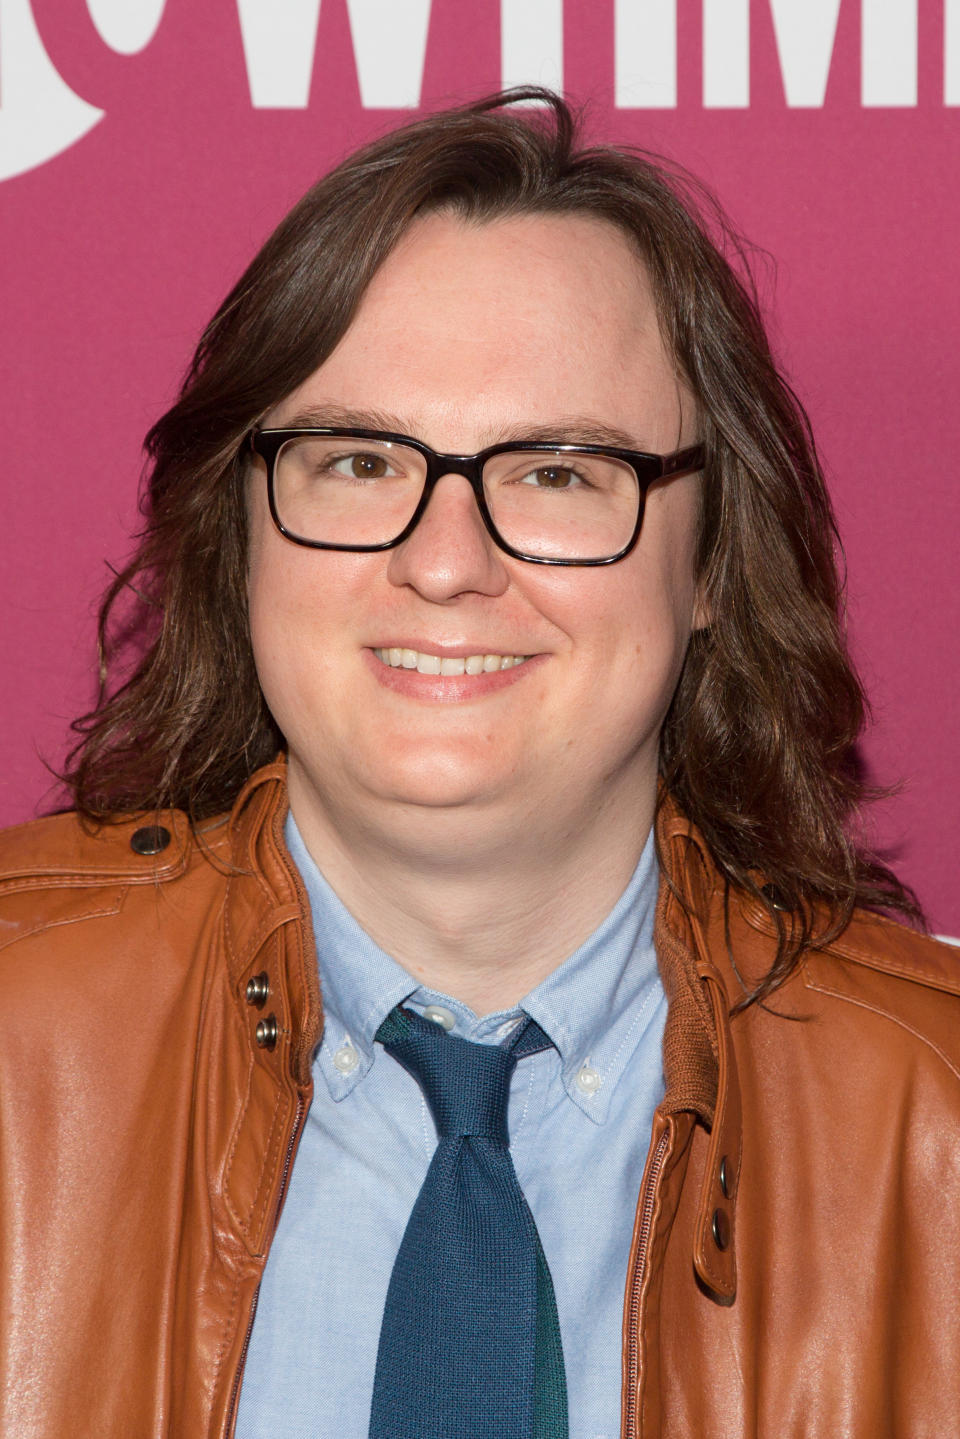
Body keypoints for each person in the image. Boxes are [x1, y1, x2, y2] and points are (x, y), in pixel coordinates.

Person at [1, 88, 957, 1439]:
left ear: (711, 567)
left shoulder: (940, 1128)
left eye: (560, 473)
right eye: (355, 460)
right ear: (242, 536)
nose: (445, 562)